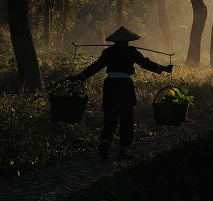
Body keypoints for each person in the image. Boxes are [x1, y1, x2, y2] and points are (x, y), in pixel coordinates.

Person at [73, 26, 173, 160]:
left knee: (110, 118)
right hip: (125, 87)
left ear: (114, 41)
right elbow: (145, 63)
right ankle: (123, 151)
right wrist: (163, 68)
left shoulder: (108, 52)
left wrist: (80, 77)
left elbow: (95, 66)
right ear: (128, 41)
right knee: (126, 119)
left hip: (110, 87)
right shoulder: (131, 52)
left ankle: (104, 147)